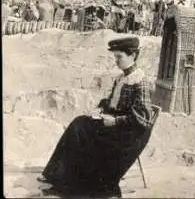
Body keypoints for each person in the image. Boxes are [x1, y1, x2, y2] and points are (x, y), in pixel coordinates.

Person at [38, 37, 155, 198]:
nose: (116, 61)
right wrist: (101, 107)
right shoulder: (122, 78)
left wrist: (114, 121)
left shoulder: (140, 81)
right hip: (116, 123)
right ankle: (57, 176)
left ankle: (67, 182)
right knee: (79, 123)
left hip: (129, 134)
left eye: (119, 57)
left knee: (82, 133)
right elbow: (113, 102)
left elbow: (143, 118)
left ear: (133, 56)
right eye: (115, 57)